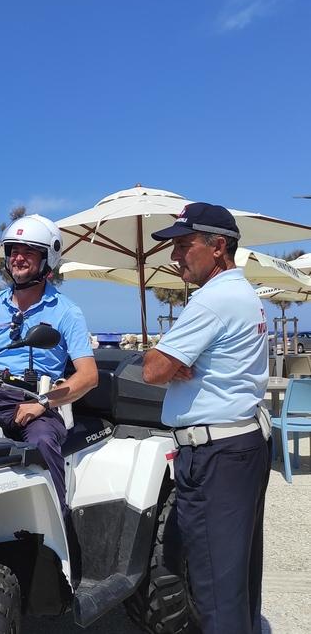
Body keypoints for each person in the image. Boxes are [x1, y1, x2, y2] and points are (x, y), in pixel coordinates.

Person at [141, 202, 270, 634]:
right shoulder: (243, 293)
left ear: (217, 247)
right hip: (243, 444)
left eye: (182, 245)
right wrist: (174, 360)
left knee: (215, 586)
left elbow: (153, 369)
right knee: (237, 579)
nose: (174, 256)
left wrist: (168, 360)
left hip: (215, 454)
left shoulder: (212, 301)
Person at [0, 214, 98, 511]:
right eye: (14, 251)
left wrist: (41, 404)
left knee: (43, 442)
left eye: (29, 251)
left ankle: (58, 521)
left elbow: (88, 376)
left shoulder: (66, 312)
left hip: (36, 400)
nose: (18, 258)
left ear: (48, 258)